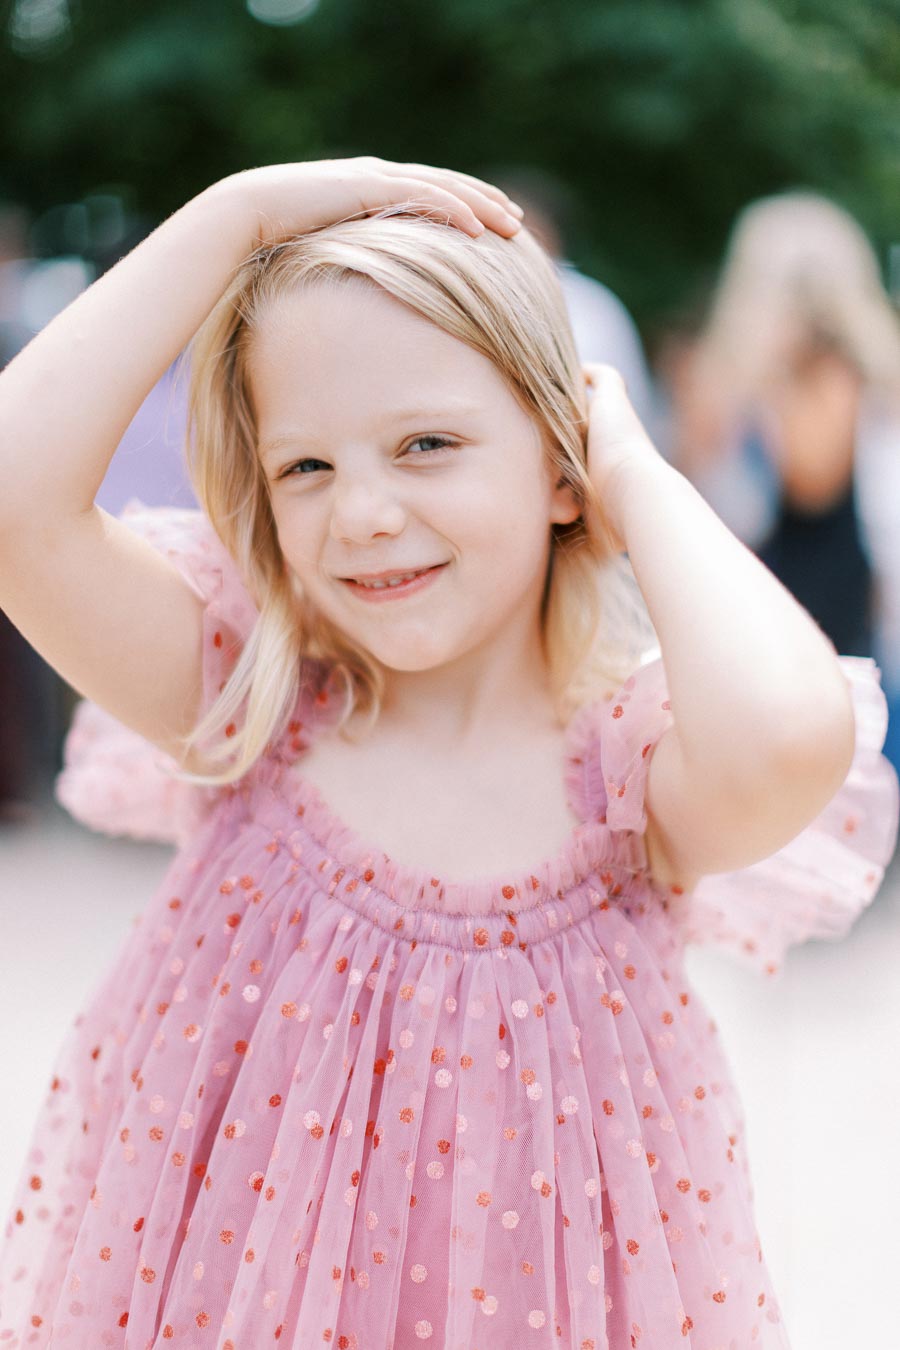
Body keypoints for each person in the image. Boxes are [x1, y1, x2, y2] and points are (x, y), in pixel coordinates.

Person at [0, 158, 895, 1349]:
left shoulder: (629, 788)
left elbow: (793, 734)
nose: (362, 511)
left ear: (560, 466)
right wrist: (238, 216)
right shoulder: (253, 707)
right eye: (306, 467)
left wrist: (634, 472)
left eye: (426, 444)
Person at [666, 191, 900, 667]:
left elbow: (813, 479)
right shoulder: (722, 370)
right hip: (750, 593)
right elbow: (685, 478)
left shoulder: (851, 373)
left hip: (839, 598)